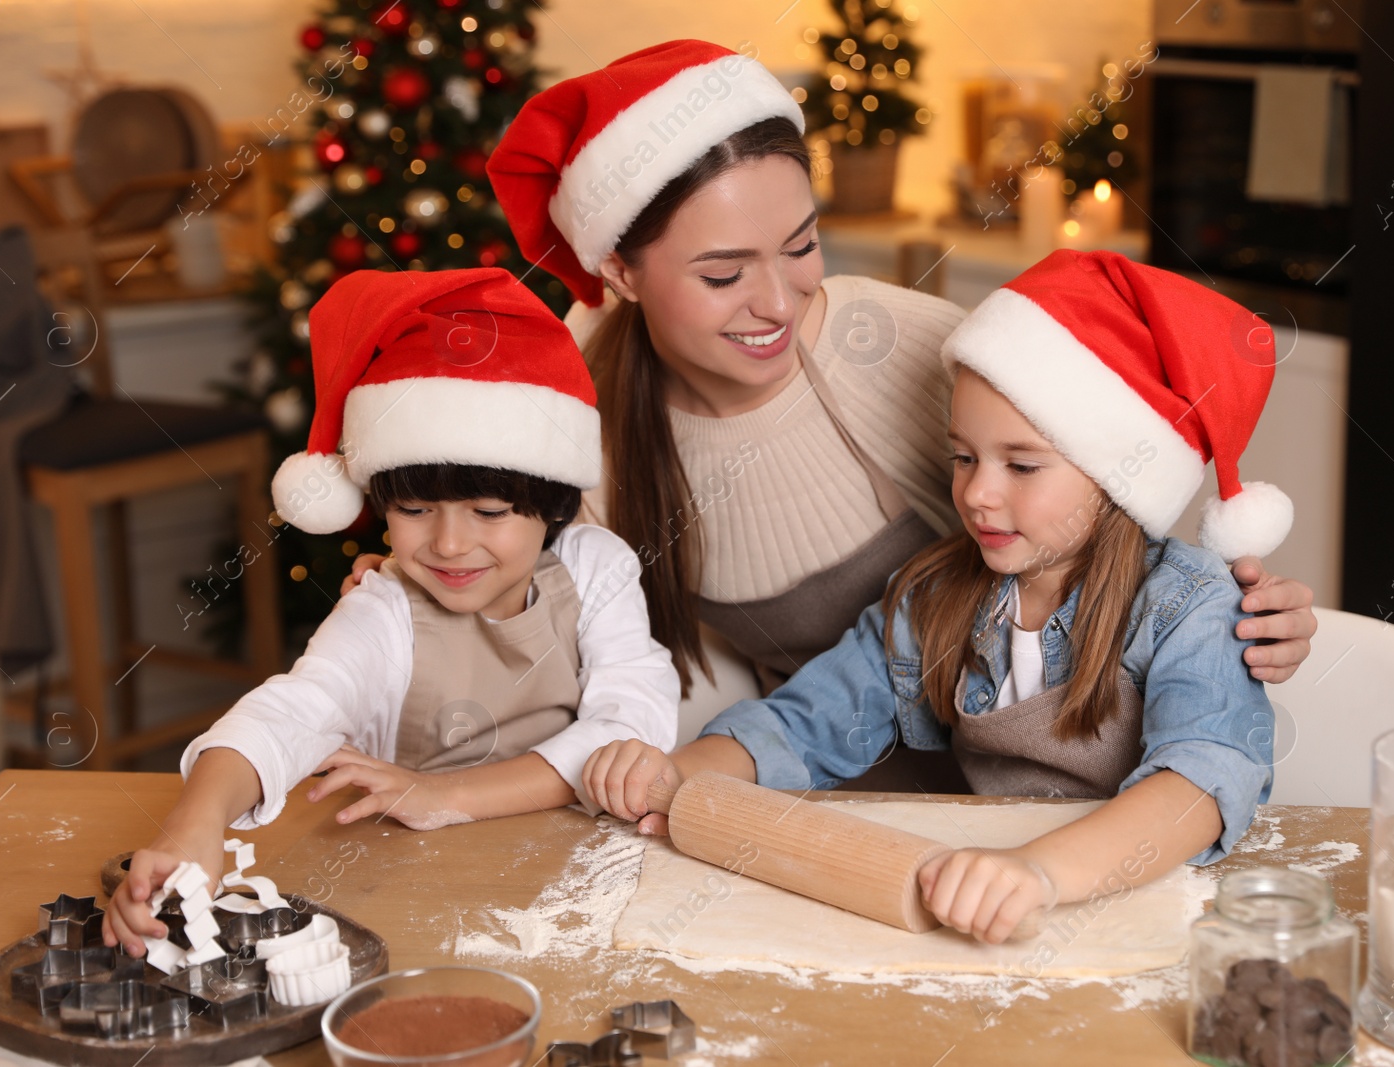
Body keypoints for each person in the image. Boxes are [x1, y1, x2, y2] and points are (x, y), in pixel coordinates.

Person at [346, 40, 1314, 743]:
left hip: (1007, 773)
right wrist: (411, 600)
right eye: (723, 274)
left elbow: (1109, 484)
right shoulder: (572, 408)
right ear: (624, 273)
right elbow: (523, 595)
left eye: (801, 244)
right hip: (803, 761)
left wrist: (1245, 616)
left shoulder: (888, 344)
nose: (776, 300)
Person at [584, 251, 1289, 945]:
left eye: (1021, 464)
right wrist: (675, 774)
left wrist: (1038, 873)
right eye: (964, 456)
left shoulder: (1187, 607)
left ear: (1117, 477)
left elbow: (1197, 784)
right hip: (998, 909)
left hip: (1156, 913)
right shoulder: (935, 598)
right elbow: (807, 723)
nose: (977, 493)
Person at [104, 269, 677, 956]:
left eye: (489, 512)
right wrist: (192, 824)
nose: (449, 543)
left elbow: (629, 725)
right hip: (411, 902)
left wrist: (445, 794)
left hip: (575, 892)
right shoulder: (384, 610)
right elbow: (292, 711)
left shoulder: (594, 569)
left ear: (553, 502)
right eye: (412, 509)